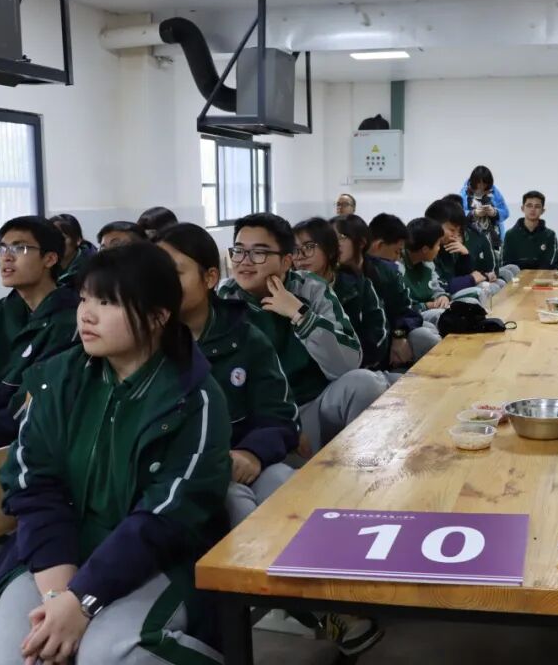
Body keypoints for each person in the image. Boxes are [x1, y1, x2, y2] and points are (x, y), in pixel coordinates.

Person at [0, 242, 230, 665]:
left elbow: (166, 518)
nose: (86, 315)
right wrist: (60, 598)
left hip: (156, 561)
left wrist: (83, 600)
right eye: (84, 299)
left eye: (108, 302)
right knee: (14, 655)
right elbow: (33, 486)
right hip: (57, 554)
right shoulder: (57, 379)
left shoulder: (194, 398)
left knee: (105, 655)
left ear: (157, 316)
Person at [156, 223, 299, 527]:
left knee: (284, 482)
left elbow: (280, 415)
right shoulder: (147, 342)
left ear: (210, 278)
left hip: (242, 460)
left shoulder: (246, 337)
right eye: (156, 276)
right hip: (183, 473)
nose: (162, 286)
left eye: (175, 274)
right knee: (234, 501)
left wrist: (252, 452)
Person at [216, 214, 386, 455]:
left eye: (258, 252)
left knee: (365, 383)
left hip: (312, 406)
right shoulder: (224, 299)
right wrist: (283, 427)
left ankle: (357, 464)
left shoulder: (312, 289)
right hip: (262, 422)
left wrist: (300, 314)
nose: (245, 261)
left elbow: (347, 364)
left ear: (286, 261)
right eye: (239, 251)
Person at [0, 217, 80, 452]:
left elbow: (30, 405)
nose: (6, 257)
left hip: (16, 440)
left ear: (50, 259)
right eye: (1, 249)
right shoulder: (3, 310)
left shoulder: (70, 321)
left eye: (20, 248)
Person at [293, 217, 390, 372]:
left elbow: (378, 334)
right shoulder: (289, 291)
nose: (300, 256)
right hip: (312, 378)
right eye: (294, 249)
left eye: (309, 247)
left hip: (358, 369)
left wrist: (352, 365)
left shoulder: (359, 286)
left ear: (331, 250)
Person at [366, 213, 441, 365]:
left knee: (426, 332)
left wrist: (398, 335)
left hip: (392, 337)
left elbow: (407, 312)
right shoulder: (357, 277)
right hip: (373, 356)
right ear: (379, 245)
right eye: (396, 251)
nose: (397, 258)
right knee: (424, 336)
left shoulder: (389, 272)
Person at [425, 198, 501, 296]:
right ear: (436, 226)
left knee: (496, 285)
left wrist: (464, 256)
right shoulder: (428, 249)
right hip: (441, 297)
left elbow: (462, 276)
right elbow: (441, 286)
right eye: (452, 230)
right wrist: (472, 278)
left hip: (452, 293)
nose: (456, 235)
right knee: (481, 292)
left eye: (459, 231)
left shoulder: (448, 245)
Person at [400, 217, 451, 313]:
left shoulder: (428, 263)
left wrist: (442, 297)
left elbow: (436, 287)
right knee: (441, 314)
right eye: (438, 245)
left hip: (431, 309)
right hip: (412, 315)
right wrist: (426, 306)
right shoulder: (398, 267)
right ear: (425, 249)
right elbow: (400, 308)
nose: (439, 248)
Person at [501, 190, 557, 270]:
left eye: (537, 206)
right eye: (529, 205)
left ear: (542, 211)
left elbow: (550, 263)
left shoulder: (550, 235)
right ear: (522, 208)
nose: (533, 209)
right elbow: (506, 263)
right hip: (517, 276)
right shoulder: (510, 235)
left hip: (542, 276)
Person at [459, 165, 509, 246]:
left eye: (484, 183)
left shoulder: (494, 192)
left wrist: (494, 212)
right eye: (479, 183)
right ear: (474, 182)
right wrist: (474, 213)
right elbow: (458, 215)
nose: (481, 186)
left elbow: (505, 212)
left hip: (494, 239)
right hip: (471, 239)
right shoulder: (464, 193)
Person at [49, 213, 95, 286]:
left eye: (62, 238)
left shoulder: (93, 268)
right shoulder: (44, 265)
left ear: (78, 240)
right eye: (52, 238)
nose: (56, 242)